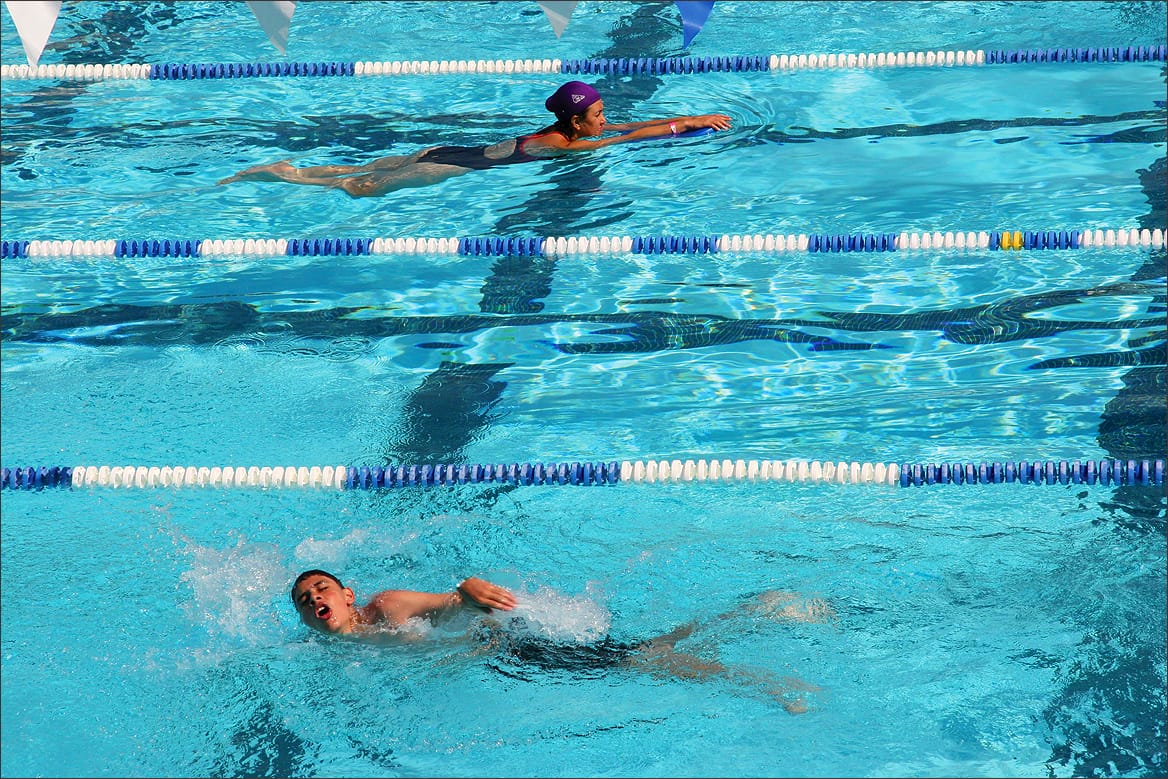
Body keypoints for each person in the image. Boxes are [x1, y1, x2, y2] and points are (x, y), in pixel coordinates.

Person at [290, 569, 833, 714]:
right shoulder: (333, 649)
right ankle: (756, 612)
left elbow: (449, 603)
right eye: (305, 599)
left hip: (514, 645)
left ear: (346, 594)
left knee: (646, 661)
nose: (316, 598)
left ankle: (767, 682)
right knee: (647, 653)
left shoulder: (383, 607)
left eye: (322, 588)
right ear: (307, 619)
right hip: (503, 655)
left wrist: (466, 591)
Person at [217, 81, 733, 197]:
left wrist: (691, 119)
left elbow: (625, 129)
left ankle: (285, 169)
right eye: (598, 113)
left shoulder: (562, 132)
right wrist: (680, 126)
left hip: (441, 152)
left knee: (355, 175)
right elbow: (626, 138)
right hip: (445, 167)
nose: (607, 118)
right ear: (577, 123)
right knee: (356, 188)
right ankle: (281, 174)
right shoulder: (568, 145)